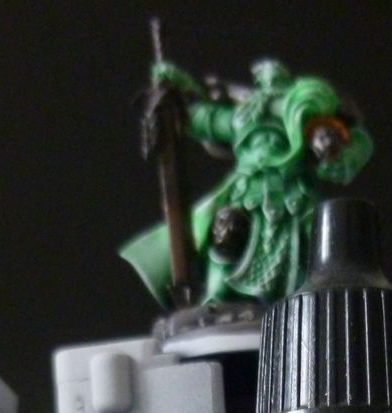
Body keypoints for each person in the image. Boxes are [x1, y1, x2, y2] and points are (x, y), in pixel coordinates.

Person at [121, 58, 373, 309]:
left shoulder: (299, 112)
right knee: (225, 232)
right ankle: (217, 298)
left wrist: (328, 143)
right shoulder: (244, 115)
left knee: (313, 244)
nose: (269, 79)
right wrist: (173, 93)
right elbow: (201, 119)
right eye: (264, 76)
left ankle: (310, 304)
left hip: (293, 191)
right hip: (247, 188)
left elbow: (336, 146)